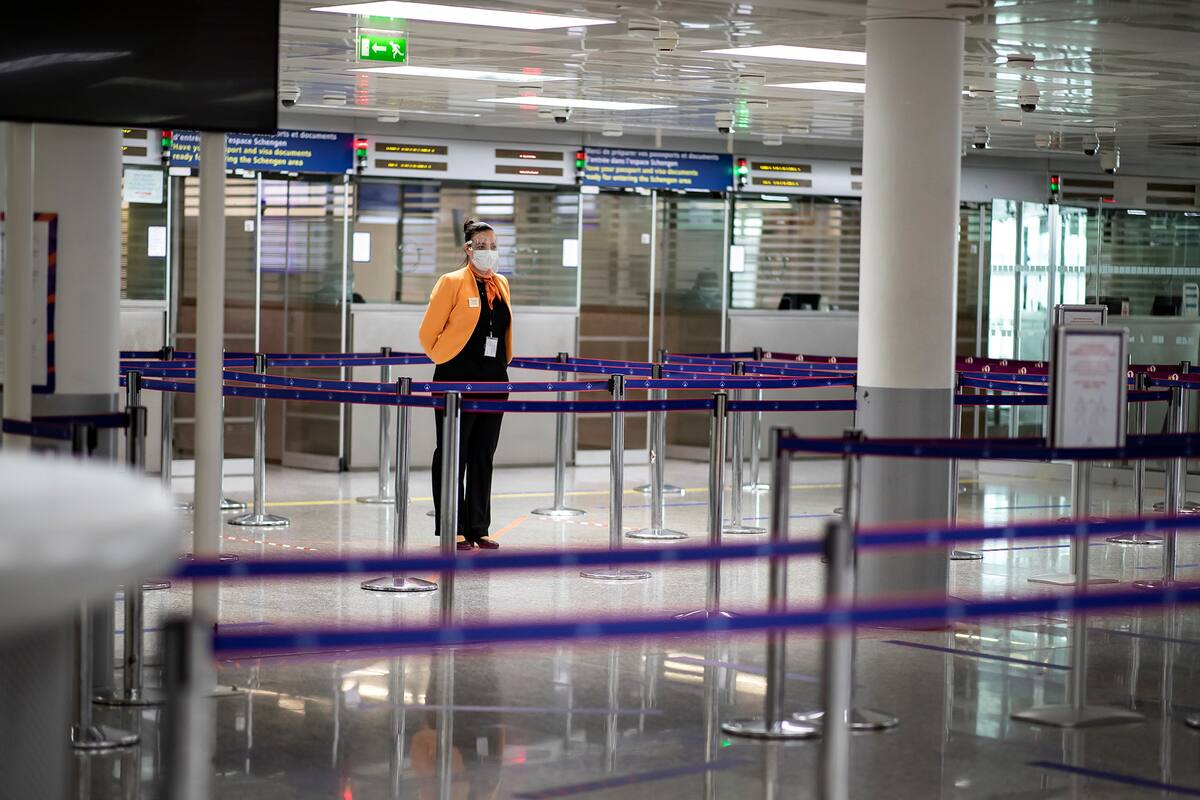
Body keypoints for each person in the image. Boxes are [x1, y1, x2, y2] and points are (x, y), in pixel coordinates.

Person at [419, 218, 512, 551]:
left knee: (483, 453)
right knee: (452, 454)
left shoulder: (500, 283)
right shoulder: (451, 282)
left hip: (494, 381)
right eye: (482, 246)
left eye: (493, 246)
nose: (489, 252)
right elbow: (428, 334)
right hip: (456, 380)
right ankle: (452, 526)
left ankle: (478, 526)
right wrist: (447, 359)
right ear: (468, 248)